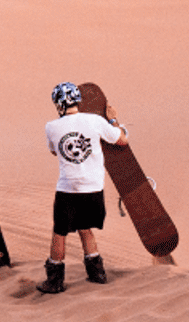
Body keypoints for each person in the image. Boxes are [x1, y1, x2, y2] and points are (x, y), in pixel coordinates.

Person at [38, 81, 125, 294]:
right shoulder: (95, 121)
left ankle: (55, 280)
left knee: (60, 232)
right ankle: (97, 273)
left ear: (58, 105)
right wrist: (113, 119)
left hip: (68, 188)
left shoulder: (51, 127)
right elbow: (121, 140)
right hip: (94, 187)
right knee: (85, 229)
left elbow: (54, 152)